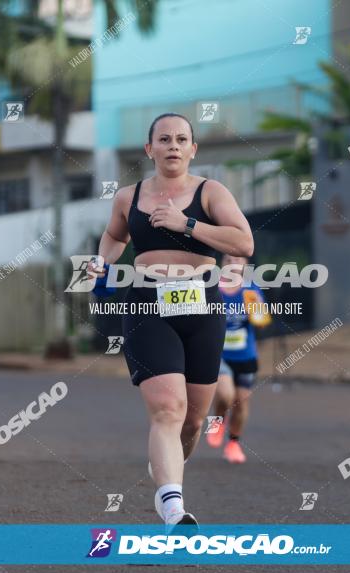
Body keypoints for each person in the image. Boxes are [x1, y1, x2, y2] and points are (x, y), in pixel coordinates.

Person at [88, 113, 253, 531]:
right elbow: (115, 236)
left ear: (193, 149)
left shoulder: (211, 192)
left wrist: (188, 224)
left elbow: (244, 241)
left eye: (182, 139)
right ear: (150, 149)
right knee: (168, 408)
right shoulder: (129, 196)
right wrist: (100, 261)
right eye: (164, 139)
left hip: (202, 308)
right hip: (147, 304)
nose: (173, 146)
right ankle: (173, 508)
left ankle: (165, 471)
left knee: (193, 420)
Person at [205, 254, 271, 463]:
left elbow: (261, 322)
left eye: (238, 260)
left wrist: (257, 312)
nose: (233, 263)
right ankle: (216, 423)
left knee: (241, 404)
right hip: (218, 354)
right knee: (225, 395)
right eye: (228, 260)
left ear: (245, 265)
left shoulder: (251, 289)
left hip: (245, 355)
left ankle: (233, 443)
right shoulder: (213, 288)